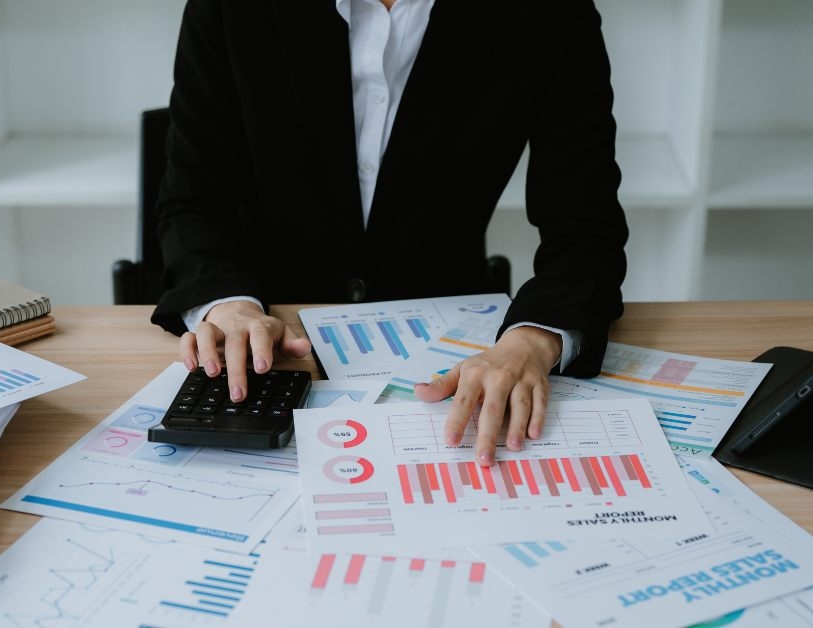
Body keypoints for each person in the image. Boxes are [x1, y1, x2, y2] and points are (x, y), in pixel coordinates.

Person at [152, 0, 628, 466]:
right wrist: (227, 304)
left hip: (452, 357)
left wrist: (533, 340)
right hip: (276, 346)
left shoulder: (551, 12)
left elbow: (586, 229)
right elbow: (192, 202)